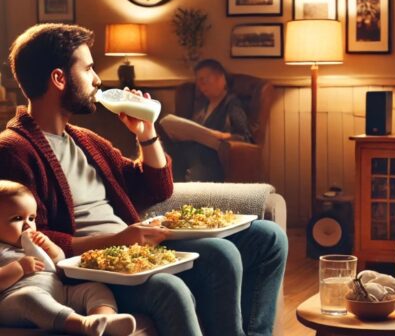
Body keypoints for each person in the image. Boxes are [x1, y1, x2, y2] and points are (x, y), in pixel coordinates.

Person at [0, 23, 288, 336]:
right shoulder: (14, 150)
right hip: (93, 268)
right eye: (89, 69)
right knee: (221, 255)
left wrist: (146, 132)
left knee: (268, 237)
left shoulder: (84, 139)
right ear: (58, 78)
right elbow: (30, 238)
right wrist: (118, 240)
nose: (97, 79)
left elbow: (156, 189)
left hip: (133, 246)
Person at [0, 180, 136, 336]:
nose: (28, 225)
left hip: (58, 291)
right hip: (12, 303)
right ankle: (82, 324)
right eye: (17, 218)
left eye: (31, 218)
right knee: (28, 298)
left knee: (95, 288)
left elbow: (59, 263)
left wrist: (51, 248)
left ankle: (104, 319)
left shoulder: (33, 243)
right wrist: (19, 268)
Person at [164, 59, 253, 182]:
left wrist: (222, 135)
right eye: (198, 81)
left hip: (212, 160)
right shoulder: (203, 105)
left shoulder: (232, 104)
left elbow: (244, 136)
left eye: (204, 80)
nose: (200, 86)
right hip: (191, 154)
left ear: (221, 78)